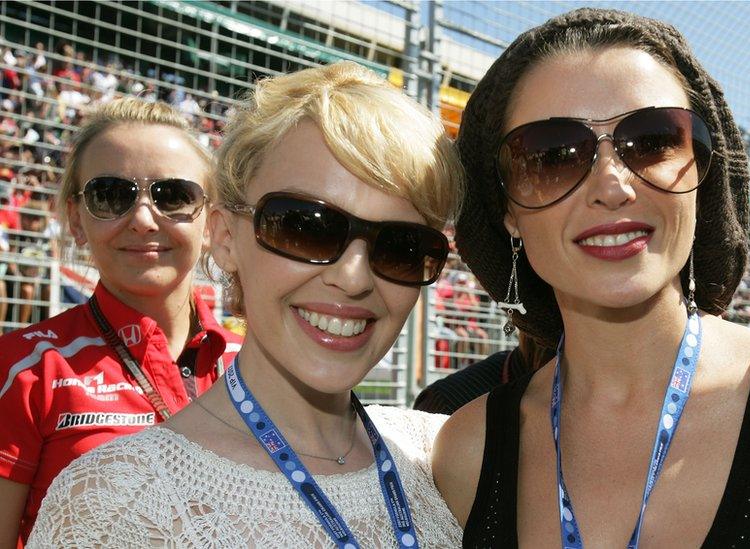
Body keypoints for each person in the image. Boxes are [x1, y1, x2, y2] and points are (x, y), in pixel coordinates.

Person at [433, 9, 750, 547]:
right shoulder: (463, 456)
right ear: (507, 210)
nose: (612, 185)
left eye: (654, 140)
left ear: (703, 173)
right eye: (552, 155)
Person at [27, 62, 465, 547]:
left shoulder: (449, 456)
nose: (353, 277)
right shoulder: (112, 505)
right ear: (224, 238)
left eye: (401, 246)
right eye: (305, 226)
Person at [0, 98, 242, 548]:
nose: (144, 220)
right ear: (76, 219)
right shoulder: (22, 371)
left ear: (211, 222)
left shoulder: (256, 367)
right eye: (110, 195)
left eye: (173, 196)